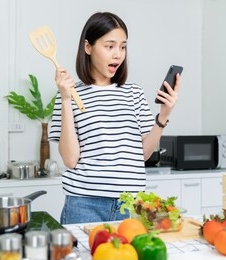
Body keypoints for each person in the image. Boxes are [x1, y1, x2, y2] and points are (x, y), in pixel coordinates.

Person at [48, 11, 181, 224]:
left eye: (123, 47)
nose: (118, 54)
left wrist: (163, 116)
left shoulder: (134, 93)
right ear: (88, 47)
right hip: (84, 204)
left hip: (131, 205)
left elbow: (144, 155)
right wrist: (65, 100)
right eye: (110, 46)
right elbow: (70, 160)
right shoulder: (69, 94)